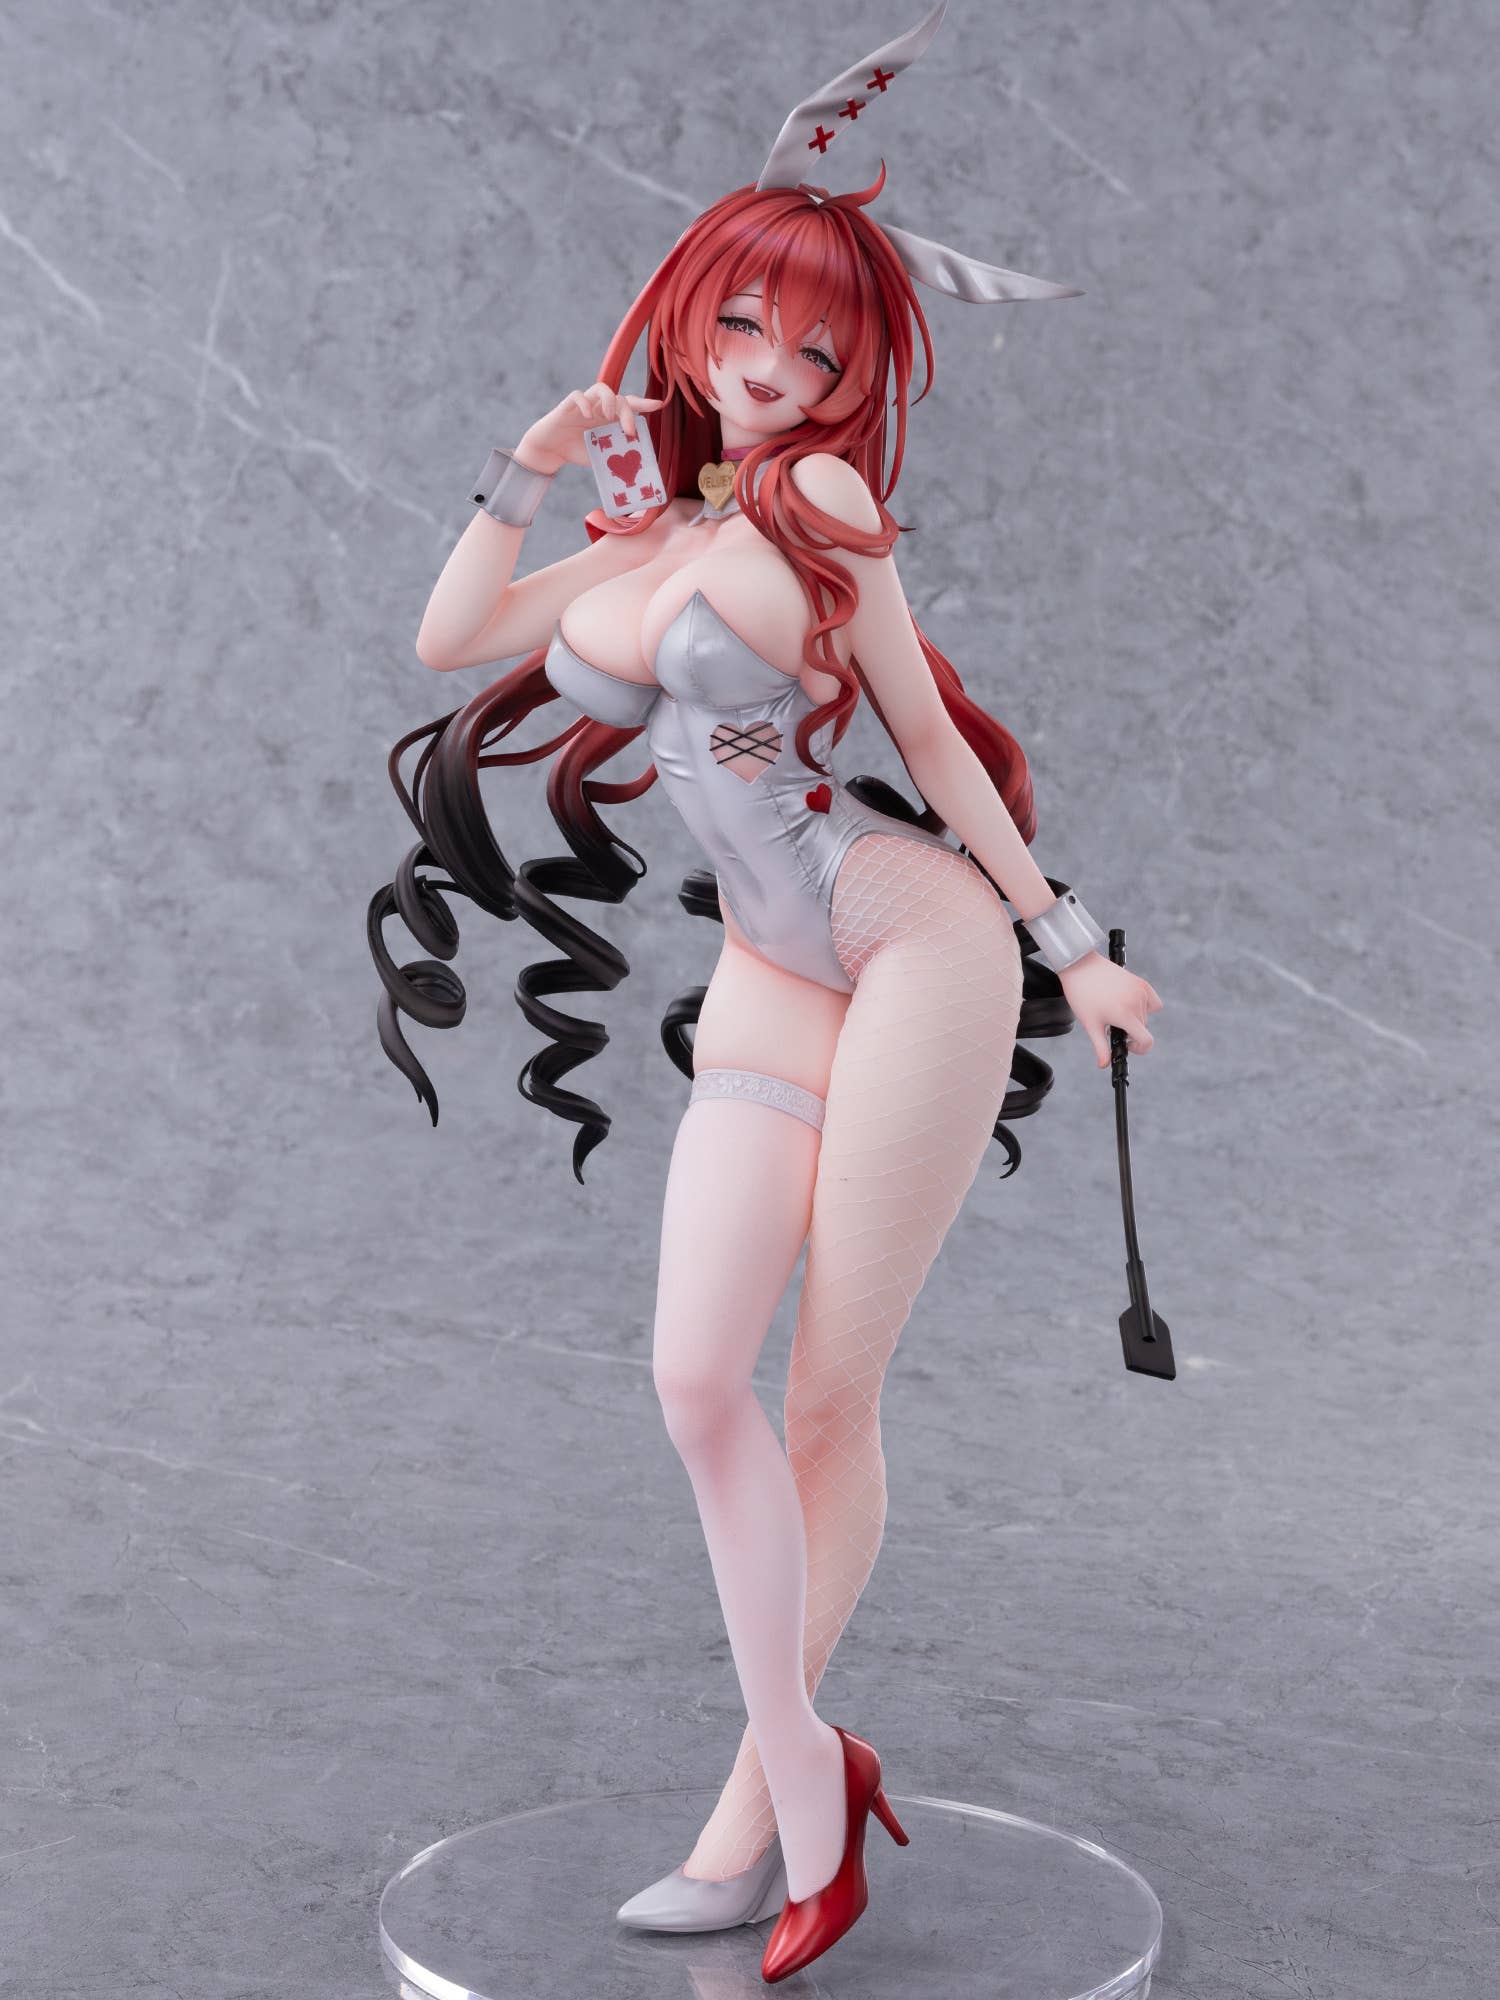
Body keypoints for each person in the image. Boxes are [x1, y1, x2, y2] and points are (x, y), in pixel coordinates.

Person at [368, 10, 1162, 1985]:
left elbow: (931, 740)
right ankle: (817, 1765)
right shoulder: (655, 529)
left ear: (853, 378)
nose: (776, 372)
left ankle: (764, 1823)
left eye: (819, 354)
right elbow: (454, 635)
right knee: (690, 1381)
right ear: (690, 317)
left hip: (908, 942)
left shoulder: (828, 518)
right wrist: (525, 470)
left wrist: (1071, 944)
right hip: (763, 975)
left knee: (825, 1395)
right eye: (747, 329)